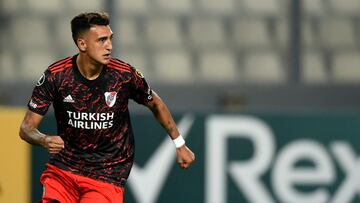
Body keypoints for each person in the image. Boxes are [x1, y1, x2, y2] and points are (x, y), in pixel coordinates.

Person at [19, 12, 195, 203]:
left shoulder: (124, 75)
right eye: (101, 40)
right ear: (82, 44)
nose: (109, 46)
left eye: (110, 39)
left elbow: (155, 103)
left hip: (107, 173)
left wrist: (180, 144)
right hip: (64, 169)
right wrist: (44, 140)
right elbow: (26, 128)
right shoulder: (57, 77)